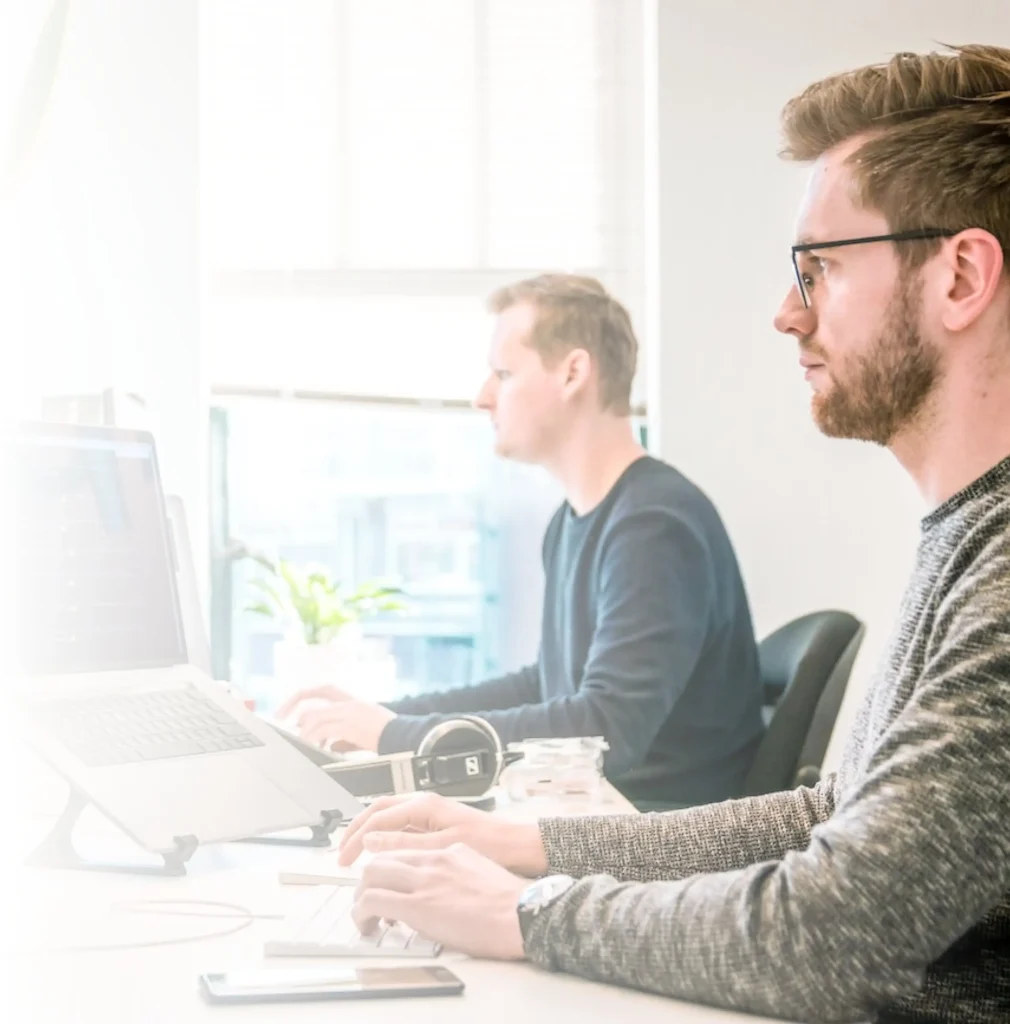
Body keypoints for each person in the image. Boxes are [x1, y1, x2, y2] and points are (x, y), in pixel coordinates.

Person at [331, 44, 1010, 1024]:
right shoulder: (962, 539)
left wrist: (528, 911)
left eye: (817, 268)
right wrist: (533, 847)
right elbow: (826, 817)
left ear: (957, 277)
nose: (786, 313)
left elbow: (835, 930)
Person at [280, 274, 766, 808]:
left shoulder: (654, 526)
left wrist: (393, 736)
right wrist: (389, 718)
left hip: (650, 840)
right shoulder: (575, 521)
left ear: (573, 373)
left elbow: (605, 731)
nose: (482, 397)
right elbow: (548, 686)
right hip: (596, 816)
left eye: (504, 373)